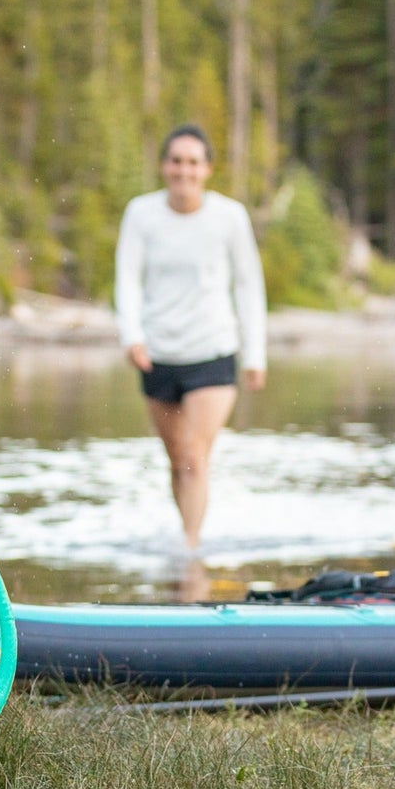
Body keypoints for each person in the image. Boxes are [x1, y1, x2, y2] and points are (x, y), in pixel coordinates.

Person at [115, 124, 268, 551]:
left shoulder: (229, 217)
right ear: (165, 166)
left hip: (213, 352)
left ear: (207, 169)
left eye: (194, 162)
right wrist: (132, 335)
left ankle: (190, 547)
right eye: (177, 161)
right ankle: (187, 538)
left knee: (193, 455)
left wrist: (255, 354)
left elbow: (248, 285)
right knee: (176, 459)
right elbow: (127, 277)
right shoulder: (141, 213)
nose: (185, 170)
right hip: (158, 354)